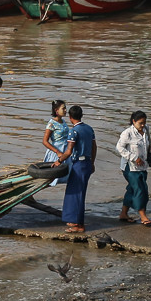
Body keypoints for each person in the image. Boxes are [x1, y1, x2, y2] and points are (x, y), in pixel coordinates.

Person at [116, 111, 151, 226]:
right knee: (141, 189)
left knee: (132, 189)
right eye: (140, 123)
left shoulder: (146, 129)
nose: (142, 125)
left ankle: (123, 213)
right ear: (134, 122)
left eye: (144, 123)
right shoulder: (127, 133)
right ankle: (142, 215)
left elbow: (149, 143)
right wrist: (134, 157)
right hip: (130, 167)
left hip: (143, 166)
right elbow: (119, 148)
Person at [57, 105, 96, 233]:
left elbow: (69, 151)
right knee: (80, 192)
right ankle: (75, 220)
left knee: (75, 194)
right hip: (87, 163)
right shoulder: (89, 129)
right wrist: (92, 163)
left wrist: (59, 161)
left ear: (70, 117)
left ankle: (78, 224)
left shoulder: (74, 131)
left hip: (78, 164)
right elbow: (94, 147)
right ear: (81, 115)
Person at [41, 100, 71, 186]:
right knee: (50, 180)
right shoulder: (51, 124)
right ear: (56, 110)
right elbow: (45, 141)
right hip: (56, 151)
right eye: (63, 108)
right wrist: (57, 152)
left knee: (66, 177)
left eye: (65, 108)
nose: (65, 110)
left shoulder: (63, 121)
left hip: (65, 151)